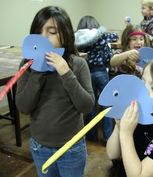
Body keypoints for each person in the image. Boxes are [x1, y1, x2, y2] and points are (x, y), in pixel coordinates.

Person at [15, 6, 95, 177]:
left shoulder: (78, 64)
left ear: (65, 34)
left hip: (71, 147)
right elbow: (23, 106)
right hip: (40, 147)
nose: (43, 37)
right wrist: (37, 72)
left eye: (51, 31)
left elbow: (86, 106)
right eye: (39, 31)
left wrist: (66, 73)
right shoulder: (27, 65)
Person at [75, 16, 118, 144]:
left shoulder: (76, 38)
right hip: (101, 72)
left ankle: (91, 135)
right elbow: (114, 38)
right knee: (106, 105)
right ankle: (107, 137)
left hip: (86, 73)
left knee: (91, 105)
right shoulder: (102, 36)